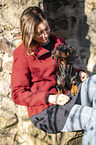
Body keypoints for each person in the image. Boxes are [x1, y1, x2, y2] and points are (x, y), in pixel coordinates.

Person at [11, 6, 96, 145]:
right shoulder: (22, 54)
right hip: (46, 112)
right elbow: (17, 94)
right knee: (93, 117)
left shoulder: (58, 42)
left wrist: (79, 73)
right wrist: (51, 98)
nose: (45, 35)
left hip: (68, 97)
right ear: (29, 33)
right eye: (39, 33)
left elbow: (65, 70)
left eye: (46, 29)